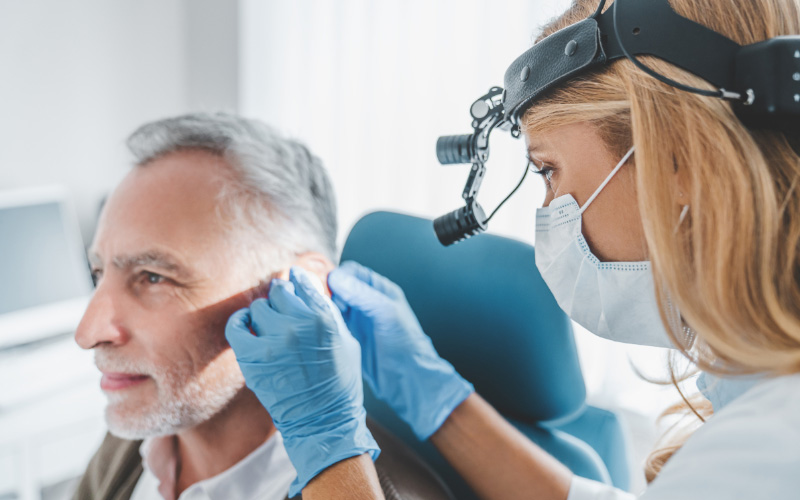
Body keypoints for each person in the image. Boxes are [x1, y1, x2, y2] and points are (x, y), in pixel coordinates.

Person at [224, 0, 800, 498]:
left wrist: (325, 445)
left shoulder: (767, 450)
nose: (548, 212)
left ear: (681, 161)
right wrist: (434, 394)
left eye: (548, 170)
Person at [71, 113, 453, 500]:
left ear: (302, 290)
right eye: (99, 272)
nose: (87, 333)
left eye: (153, 277)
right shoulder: (142, 430)